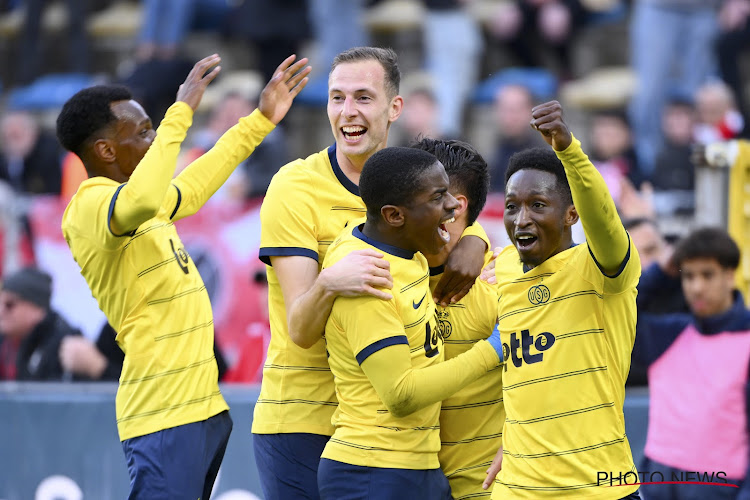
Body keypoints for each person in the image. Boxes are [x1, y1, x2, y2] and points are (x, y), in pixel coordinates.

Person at [56, 53, 310, 499]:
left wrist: (260, 120)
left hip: (199, 408)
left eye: (153, 129)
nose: (155, 140)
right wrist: (181, 113)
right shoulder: (90, 206)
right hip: (162, 411)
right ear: (106, 151)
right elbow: (138, 202)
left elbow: (191, 188)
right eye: (142, 133)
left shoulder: (140, 201)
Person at [253, 46, 490, 499]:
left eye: (363, 97)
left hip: (388, 434)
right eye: (337, 97)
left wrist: (476, 240)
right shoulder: (294, 186)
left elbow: (457, 205)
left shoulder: (415, 180)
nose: (348, 112)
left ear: (394, 107)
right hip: (304, 415)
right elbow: (300, 328)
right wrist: (328, 281)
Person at [317, 146, 504, 500]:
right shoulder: (369, 278)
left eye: (451, 195)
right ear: (395, 216)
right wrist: (494, 349)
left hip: (417, 466)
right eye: (439, 197)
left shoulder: (409, 249)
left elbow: (454, 213)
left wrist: (474, 239)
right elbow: (401, 395)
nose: (452, 205)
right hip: (372, 470)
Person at [485, 100, 642, 499]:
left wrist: (569, 149)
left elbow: (604, 221)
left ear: (571, 214)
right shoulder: (501, 267)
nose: (521, 219)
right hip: (517, 489)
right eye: (512, 207)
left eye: (538, 205)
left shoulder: (601, 267)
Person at [412, 137, 504, 498]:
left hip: (483, 488)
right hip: (403, 479)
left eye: (415, 192)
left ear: (454, 206)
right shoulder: (384, 270)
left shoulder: (504, 282)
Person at [634, 227, 750, 499]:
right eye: (689, 276)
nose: (697, 287)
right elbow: (618, 312)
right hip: (658, 480)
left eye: (707, 275)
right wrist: (661, 272)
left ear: (730, 275)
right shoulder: (668, 335)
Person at [0, 267, 82, 381]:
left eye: (9, 304)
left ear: (36, 308)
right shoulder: (6, 339)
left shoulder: (64, 344)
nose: (1, 311)